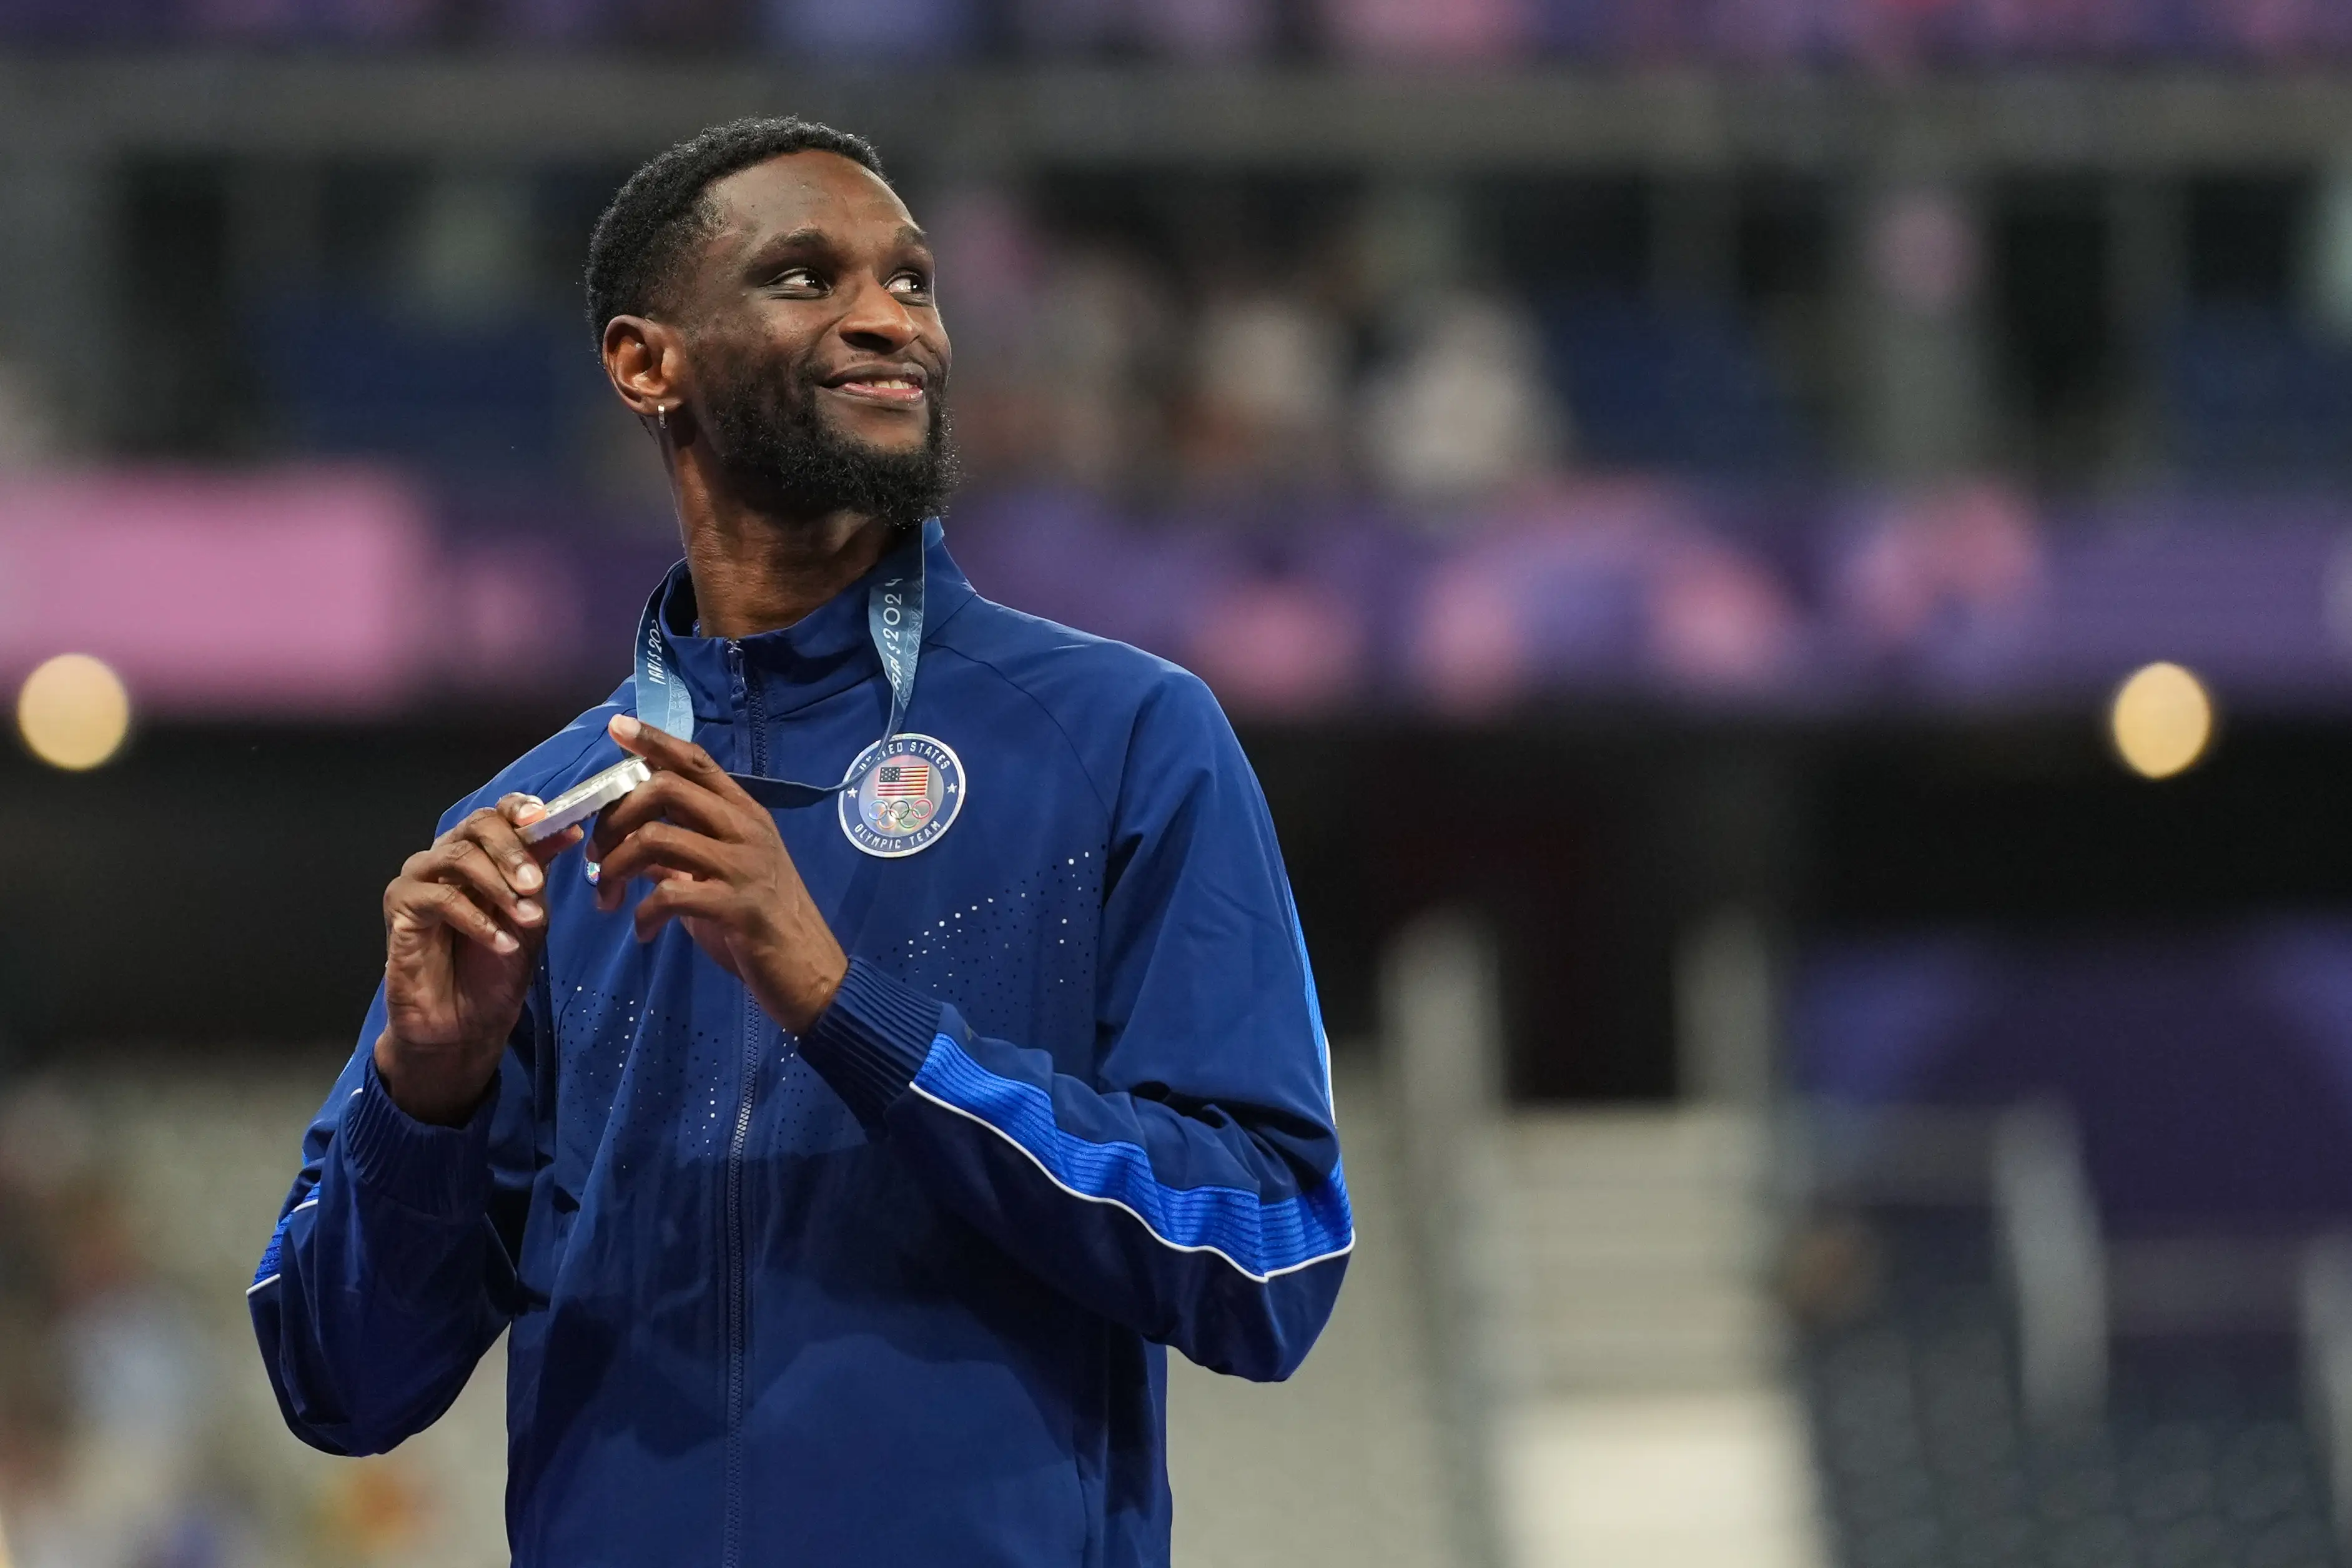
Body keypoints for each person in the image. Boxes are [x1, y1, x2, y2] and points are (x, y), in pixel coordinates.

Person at [246, 116, 1351, 1567]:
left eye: (912, 279)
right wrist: (425, 1097)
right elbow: (339, 1384)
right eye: (803, 276)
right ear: (649, 363)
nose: (888, 317)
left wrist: (849, 1009)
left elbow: (1268, 1251)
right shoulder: (524, 836)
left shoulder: (1124, 737)